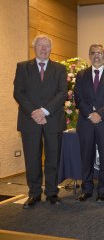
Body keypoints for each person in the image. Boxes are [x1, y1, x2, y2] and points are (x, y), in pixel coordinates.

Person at [13, 34, 67, 209]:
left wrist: (44, 111)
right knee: (32, 158)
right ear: (34, 48)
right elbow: (18, 93)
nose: (44, 49)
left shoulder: (59, 68)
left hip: (53, 119)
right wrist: (34, 112)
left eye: (47, 46)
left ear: (51, 49)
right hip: (30, 121)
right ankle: (34, 193)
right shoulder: (22, 67)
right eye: (40, 46)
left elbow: (62, 93)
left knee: (53, 157)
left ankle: (52, 192)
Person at [74, 44, 104, 202]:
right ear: (89, 55)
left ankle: (102, 190)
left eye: (99, 53)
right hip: (86, 122)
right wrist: (90, 114)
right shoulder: (81, 75)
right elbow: (78, 98)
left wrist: (99, 114)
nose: (96, 56)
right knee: (86, 157)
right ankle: (87, 189)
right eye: (93, 53)